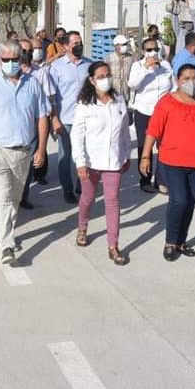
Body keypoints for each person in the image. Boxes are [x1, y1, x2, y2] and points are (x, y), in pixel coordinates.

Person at [139, 65, 195, 262]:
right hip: (172, 161)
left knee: (190, 202)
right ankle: (170, 241)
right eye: (186, 78)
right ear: (178, 80)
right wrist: (146, 155)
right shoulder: (167, 102)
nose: (191, 81)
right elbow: (153, 130)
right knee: (178, 200)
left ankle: (181, 240)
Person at [0, 40, 49, 264]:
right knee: (2, 196)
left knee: (14, 198)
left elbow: (42, 117)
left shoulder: (33, 83)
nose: (11, 63)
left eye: (16, 59)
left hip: (23, 150)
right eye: (7, 60)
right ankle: (7, 244)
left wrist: (41, 149)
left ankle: (4, 230)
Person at [71, 62, 133, 265]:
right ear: (91, 80)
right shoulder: (85, 104)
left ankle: (113, 245)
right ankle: (82, 226)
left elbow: (124, 131)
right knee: (88, 199)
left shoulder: (118, 100)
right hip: (90, 161)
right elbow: (77, 134)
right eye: (100, 76)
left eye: (107, 75)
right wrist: (80, 162)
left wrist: (126, 154)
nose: (105, 79)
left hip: (113, 161)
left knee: (113, 201)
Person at [48, 30, 92, 203]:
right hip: (65, 119)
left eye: (80, 42)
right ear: (65, 46)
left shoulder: (89, 65)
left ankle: (82, 185)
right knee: (65, 156)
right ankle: (67, 189)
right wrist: (54, 118)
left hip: (86, 119)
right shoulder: (56, 67)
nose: (79, 46)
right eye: (75, 43)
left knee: (85, 154)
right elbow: (51, 96)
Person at [128, 37, 176, 194]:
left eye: (155, 49)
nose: (153, 52)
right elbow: (132, 84)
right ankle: (145, 179)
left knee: (164, 147)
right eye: (149, 50)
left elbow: (174, 86)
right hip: (144, 112)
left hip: (163, 113)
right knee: (144, 147)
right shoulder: (137, 66)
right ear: (143, 51)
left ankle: (161, 180)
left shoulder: (166, 65)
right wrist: (146, 68)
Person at [19, 38, 57, 206]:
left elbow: (50, 96)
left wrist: (53, 118)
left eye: (30, 50)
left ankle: (23, 196)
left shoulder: (40, 73)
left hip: (34, 123)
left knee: (28, 162)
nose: (27, 54)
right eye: (24, 50)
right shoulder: (7, 72)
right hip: (14, 124)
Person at [105, 34, 135, 102]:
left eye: (126, 44)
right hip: (113, 93)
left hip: (126, 94)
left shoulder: (131, 58)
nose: (126, 46)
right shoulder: (109, 58)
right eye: (123, 44)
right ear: (116, 46)